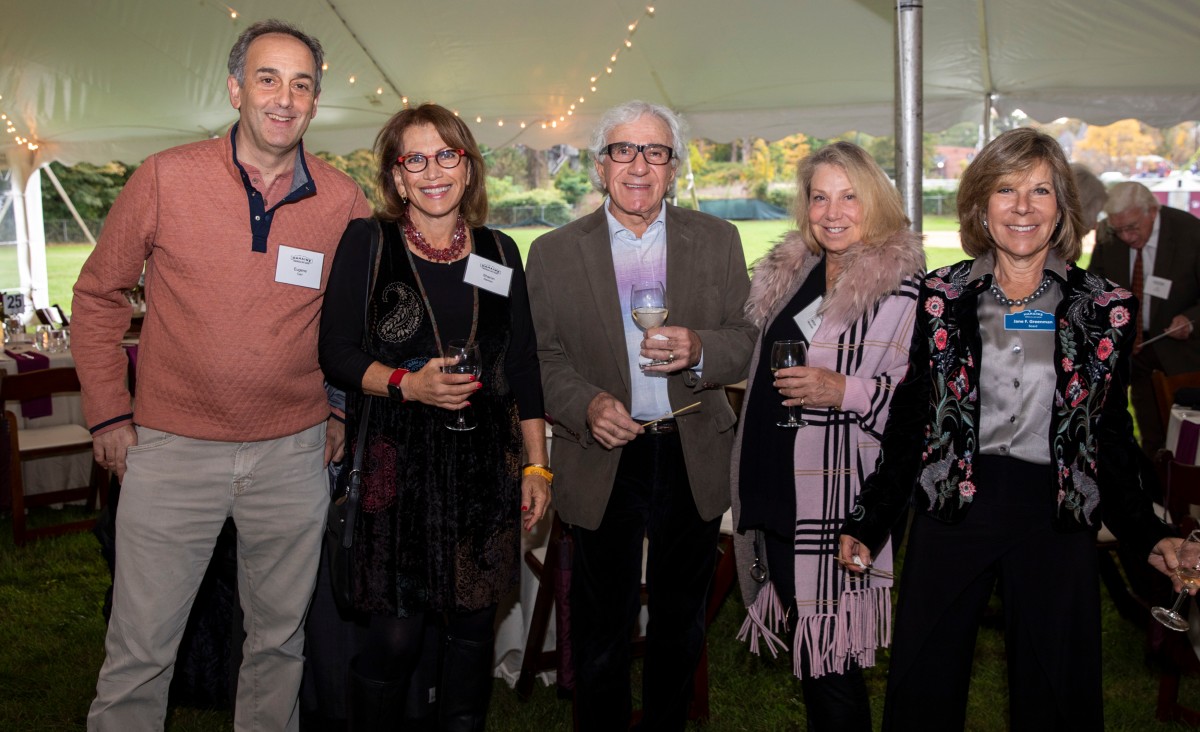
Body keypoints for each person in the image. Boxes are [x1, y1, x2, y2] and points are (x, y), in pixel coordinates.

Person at [73, 19, 372, 731]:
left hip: (291, 454)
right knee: (141, 649)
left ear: (316, 101)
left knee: (278, 645)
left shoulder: (342, 201)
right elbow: (98, 295)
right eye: (267, 79)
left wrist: (336, 413)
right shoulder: (164, 177)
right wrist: (110, 412)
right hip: (172, 452)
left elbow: (352, 324)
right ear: (237, 88)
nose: (283, 98)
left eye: (302, 85)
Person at [837, 127, 1183, 730]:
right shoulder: (942, 295)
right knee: (924, 682)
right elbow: (912, 420)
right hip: (954, 509)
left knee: (1057, 691)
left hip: (1056, 514)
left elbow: (1109, 438)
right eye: (1005, 189)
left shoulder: (1105, 307)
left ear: (1062, 209)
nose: (1022, 206)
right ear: (980, 205)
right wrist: (871, 519)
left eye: (1040, 190)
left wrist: (1149, 534)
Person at [318, 102, 550, 731]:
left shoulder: (500, 251)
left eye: (446, 155)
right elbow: (335, 351)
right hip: (397, 470)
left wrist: (537, 466)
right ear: (396, 178)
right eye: (414, 159)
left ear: (468, 168)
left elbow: (523, 366)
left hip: (484, 470)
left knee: (473, 634)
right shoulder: (370, 243)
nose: (432, 171)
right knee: (394, 640)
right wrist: (405, 385)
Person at [525, 100, 756, 731]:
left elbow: (747, 335)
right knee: (603, 625)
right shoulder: (551, 253)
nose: (638, 165)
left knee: (682, 623)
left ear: (672, 167)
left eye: (655, 152)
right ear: (600, 167)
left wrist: (702, 348)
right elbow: (540, 358)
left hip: (690, 450)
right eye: (623, 150)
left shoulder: (717, 239)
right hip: (604, 455)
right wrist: (586, 404)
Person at [730, 142, 923, 730]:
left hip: (838, 500)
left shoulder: (904, 292)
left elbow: (920, 414)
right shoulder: (799, 272)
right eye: (819, 197)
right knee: (814, 659)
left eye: (848, 197)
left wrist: (844, 391)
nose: (832, 212)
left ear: (877, 203)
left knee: (831, 662)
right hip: (778, 490)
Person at [1087, 181, 1200, 456]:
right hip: (1132, 349)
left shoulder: (1189, 232)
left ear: (1152, 211)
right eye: (1119, 229)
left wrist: (1190, 318)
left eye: (1132, 227)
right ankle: (1153, 492)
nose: (1126, 236)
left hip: (1181, 351)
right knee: (1147, 429)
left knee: (1183, 434)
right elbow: (1094, 287)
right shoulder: (1108, 233)